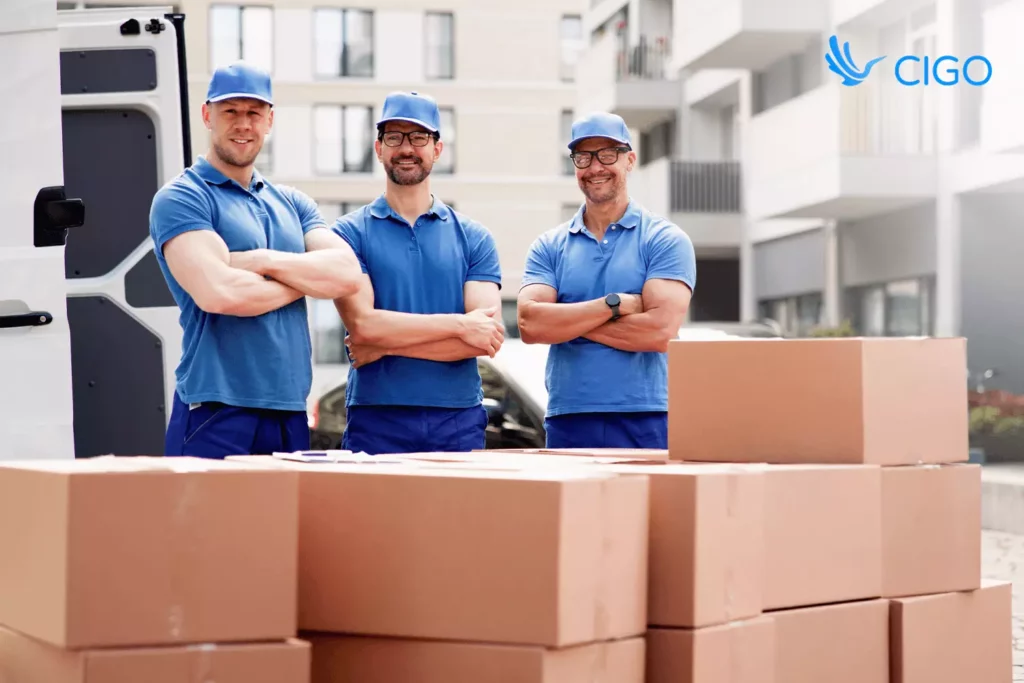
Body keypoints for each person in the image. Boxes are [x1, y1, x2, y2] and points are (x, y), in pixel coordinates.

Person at [149, 61, 363, 458]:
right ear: (207, 115)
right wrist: (304, 279)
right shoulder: (183, 197)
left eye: (254, 112)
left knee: (281, 524)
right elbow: (220, 294)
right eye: (230, 111)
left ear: (269, 120)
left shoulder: (293, 203)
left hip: (289, 408)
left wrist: (258, 260)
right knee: (208, 523)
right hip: (216, 406)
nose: (243, 124)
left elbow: (348, 275)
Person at [332, 91, 505, 455]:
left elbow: (483, 339)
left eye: (418, 137)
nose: (406, 148)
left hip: (457, 416)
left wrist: (385, 342)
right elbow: (363, 326)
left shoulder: (474, 237)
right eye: (394, 137)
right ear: (378, 148)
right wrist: (459, 325)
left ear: (437, 149)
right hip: (376, 416)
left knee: (457, 515)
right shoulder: (347, 234)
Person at [517, 111, 696, 449]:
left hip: (647, 415)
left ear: (630, 160)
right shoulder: (549, 245)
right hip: (568, 415)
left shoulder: (664, 239)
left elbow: (659, 331)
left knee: (649, 505)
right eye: (584, 157)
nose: (595, 167)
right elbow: (529, 324)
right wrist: (614, 305)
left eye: (607, 154)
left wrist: (566, 321)